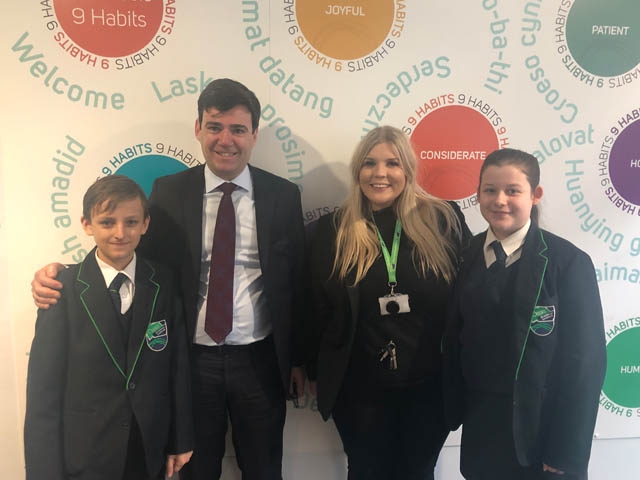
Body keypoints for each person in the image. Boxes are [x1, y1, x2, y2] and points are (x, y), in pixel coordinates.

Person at [31, 78, 306, 480]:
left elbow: (296, 281)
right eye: (214, 126)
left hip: (259, 361)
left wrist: (298, 358)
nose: (225, 139)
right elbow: (133, 259)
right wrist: (65, 274)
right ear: (198, 129)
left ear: (254, 135)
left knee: (265, 469)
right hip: (190, 362)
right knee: (195, 471)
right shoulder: (169, 192)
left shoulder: (283, 195)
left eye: (238, 129)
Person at [307, 125, 470, 480]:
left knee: (418, 472)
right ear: (357, 171)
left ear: (408, 171)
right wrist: (308, 367)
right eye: (369, 163)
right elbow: (317, 307)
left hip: (429, 388)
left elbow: (469, 299)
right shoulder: (332, 231)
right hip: (359, 391)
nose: (380, 174)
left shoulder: (444, 220)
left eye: (392, 164)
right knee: (365, 472)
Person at [442, 148, 607, 480]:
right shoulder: (465, 254)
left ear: (535, 195)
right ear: (477, 195)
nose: (500, 200)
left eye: (512, 190)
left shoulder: (568, 263)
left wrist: (566, 452)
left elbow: (585, 365)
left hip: (543, 440)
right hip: (482, 431)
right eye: (490, 190)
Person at [24, 175, 194, 480]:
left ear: (145, 224)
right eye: (107, 222)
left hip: (147, 450)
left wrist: (180, 439)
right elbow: (43, 394)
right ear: (87, 224)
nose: (120, 233)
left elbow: (177, 366)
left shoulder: (163, 282)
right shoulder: (62, 289)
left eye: (131, 222)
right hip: (86, 455)